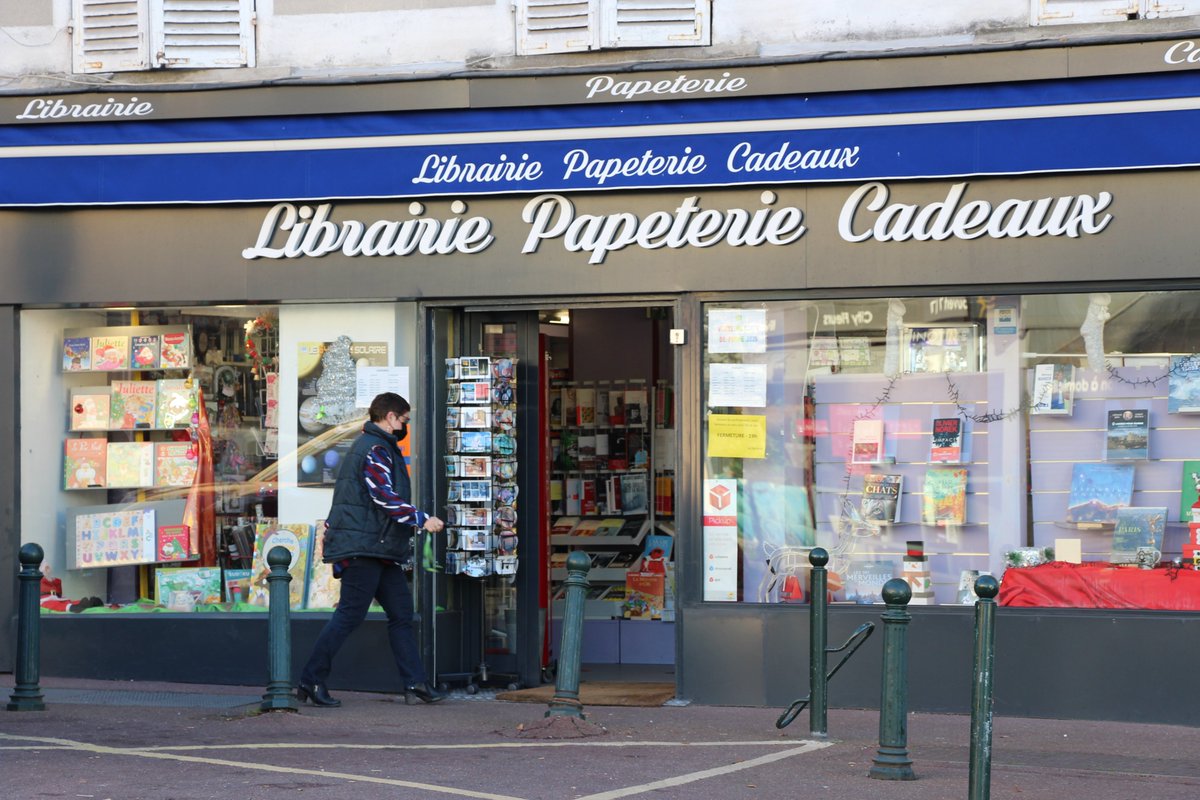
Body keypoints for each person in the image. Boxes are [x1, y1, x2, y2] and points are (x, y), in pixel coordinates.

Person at [298, 392, 447, 707]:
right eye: (404, 420)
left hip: (377, 547)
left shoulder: (377, 446)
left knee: (401, 614)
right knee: (350, 616)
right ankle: (310, 680)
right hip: (364, 547)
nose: (405, 426)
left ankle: (415, 683)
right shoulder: (375, 449)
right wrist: (422, 519)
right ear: (391, 417)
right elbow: (383, 495)